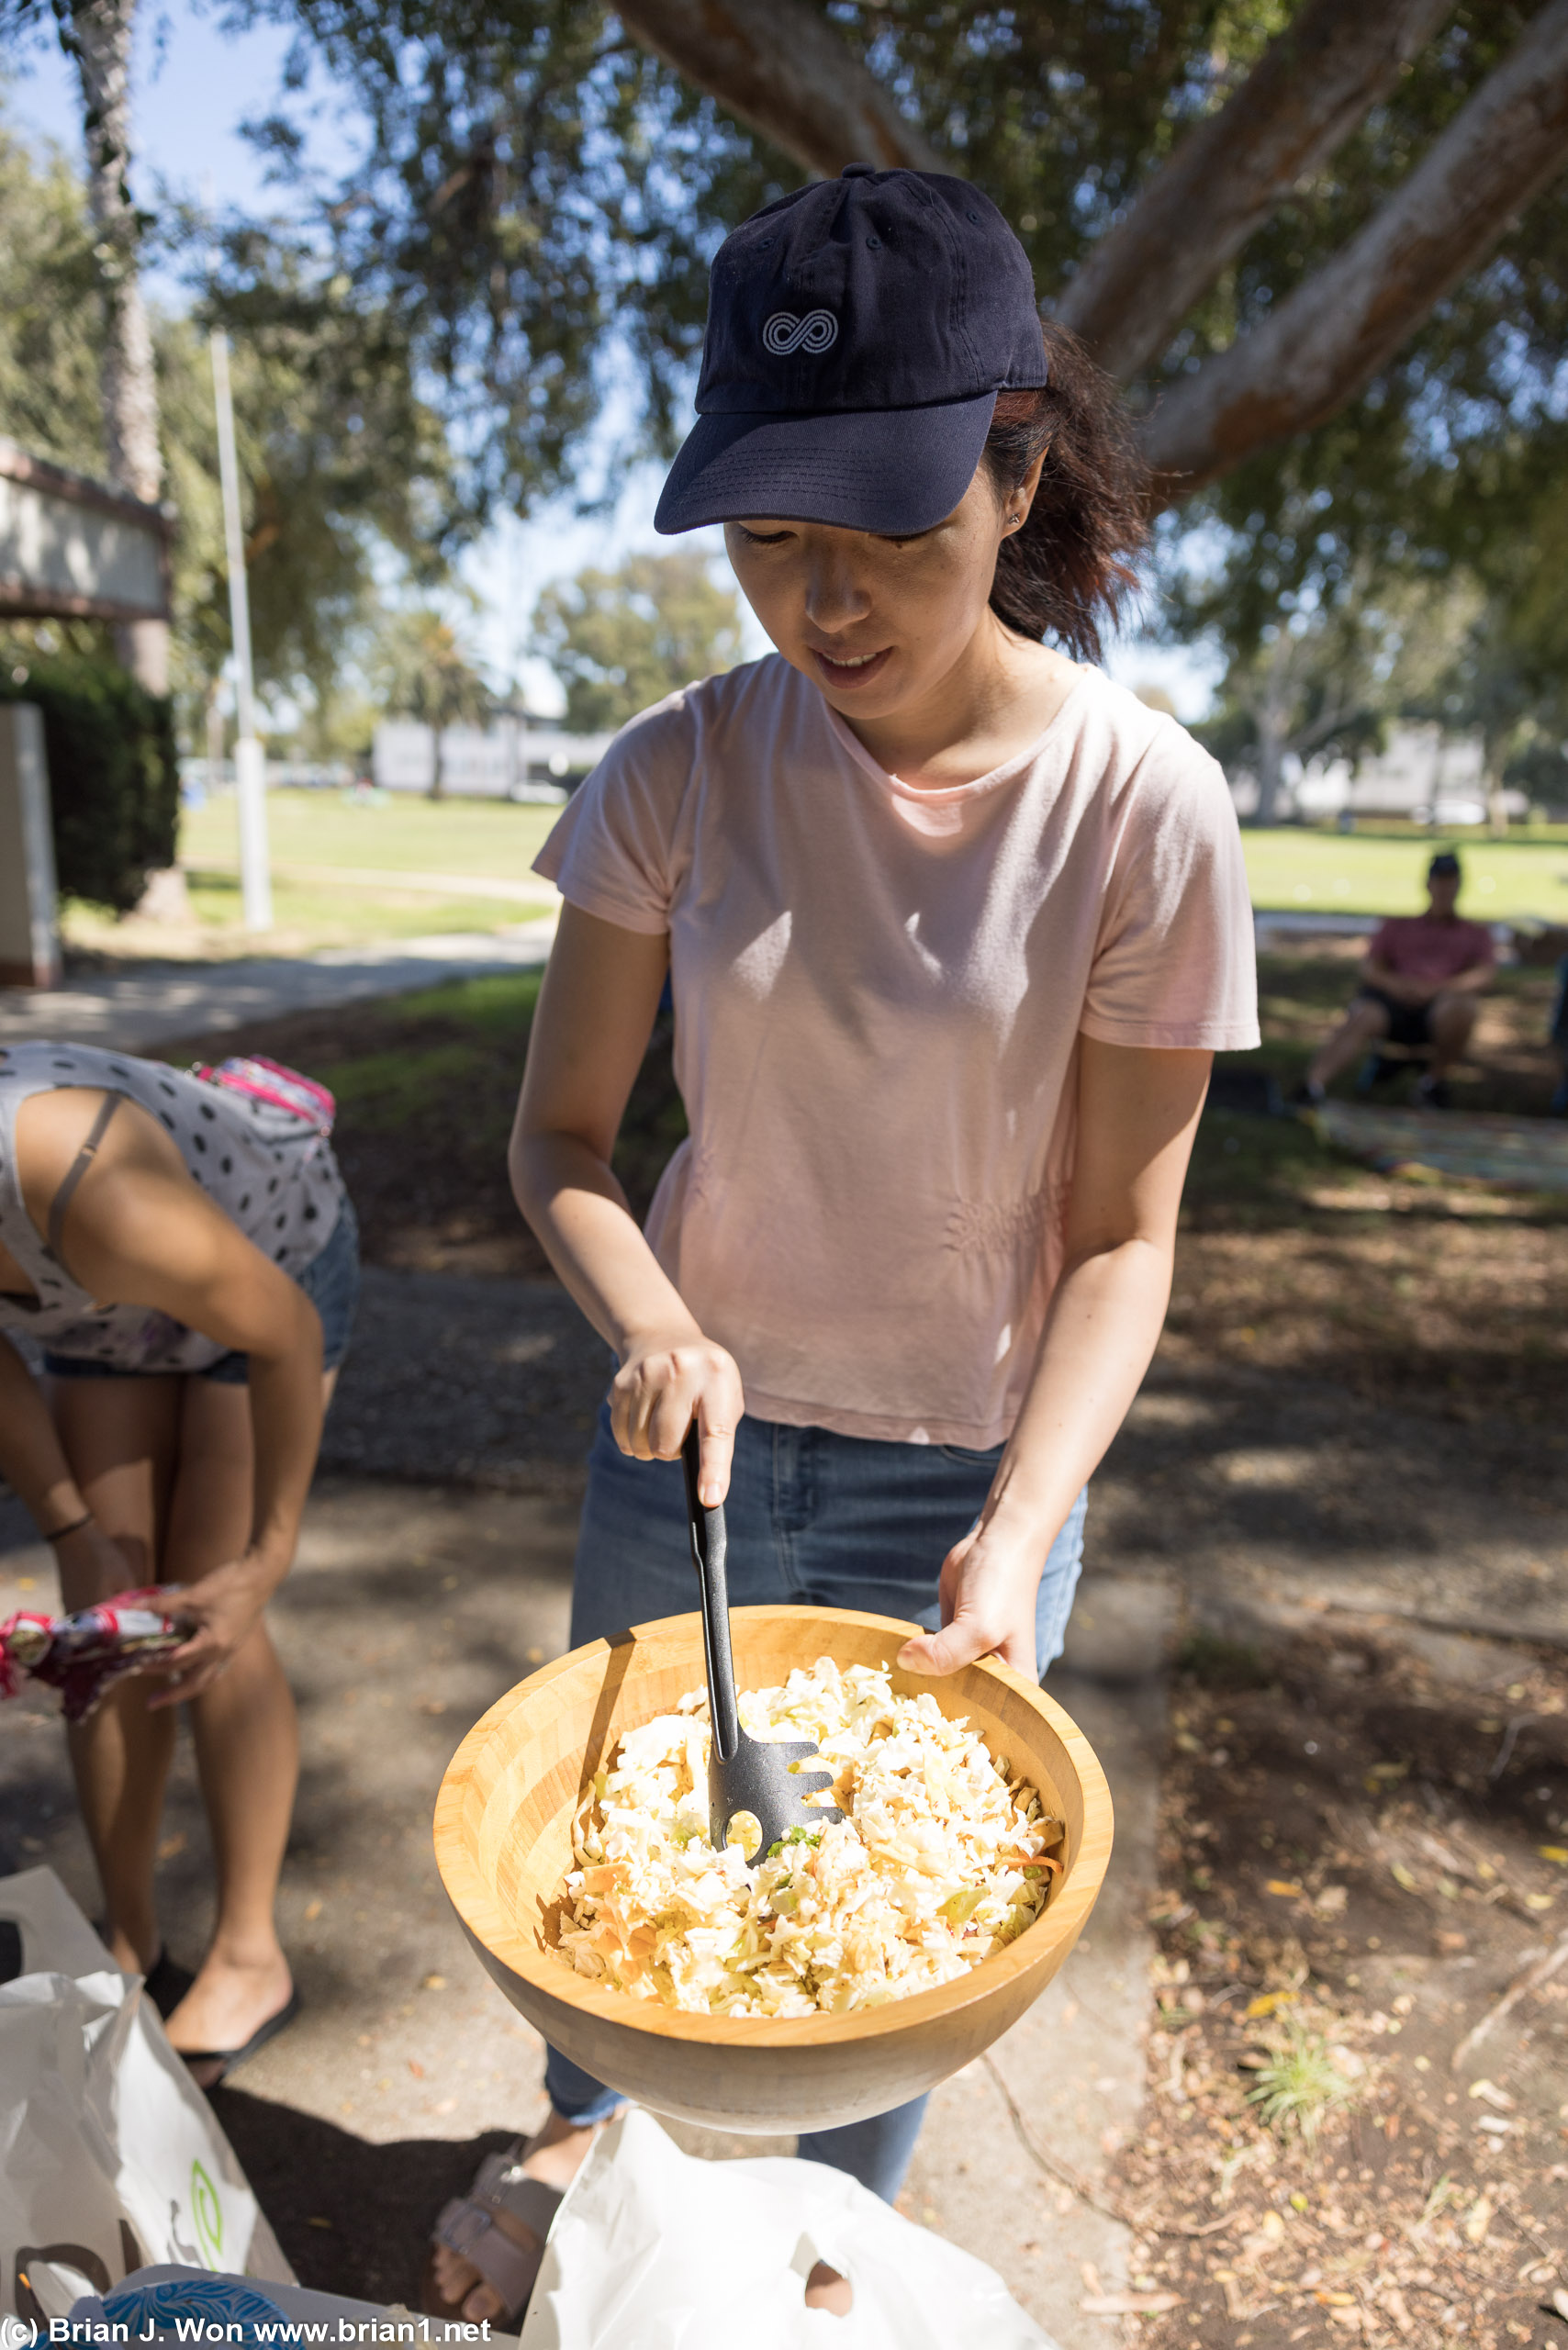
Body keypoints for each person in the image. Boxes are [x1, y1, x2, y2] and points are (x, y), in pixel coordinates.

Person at [426, 162, 1257, 2325]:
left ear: (1018, 467)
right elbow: (566, 1138)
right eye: (773, 538)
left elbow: (1122, 1241)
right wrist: (652, 1318)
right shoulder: (672, 772)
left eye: (890, 528)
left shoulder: (1144, 811)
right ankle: (586, 2198)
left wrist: (1022, 1522)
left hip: (960, 1487)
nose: (826, 601)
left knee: (879, 1981)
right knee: (635, 1924)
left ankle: (822, 2269)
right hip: (688, 1456)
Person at [0, 1042, 357, 2082]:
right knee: (107, 1621)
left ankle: (251, 1958)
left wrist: (267, 1557)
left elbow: (284, 1332)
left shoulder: (82, 1181)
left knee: (206, 1604)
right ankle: (129, 1946)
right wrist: (73, 1531)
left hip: (269, 1255)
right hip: (99, 1305)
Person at [1296, 851, 1494, 1109]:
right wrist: (1397, 985)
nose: (1445, 889)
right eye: (1440, 881)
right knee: (1363, 1013)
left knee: (1463, 1009)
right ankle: (1312, 1086)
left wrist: (1436, 989)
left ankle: (1432, 1084)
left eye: (1451, 882)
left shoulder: (1474, 933)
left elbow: (1484, 974)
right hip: (1393, 1002)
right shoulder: (1399, 926)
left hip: (1441, 1005)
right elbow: (1370, 967)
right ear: (1428, 884)